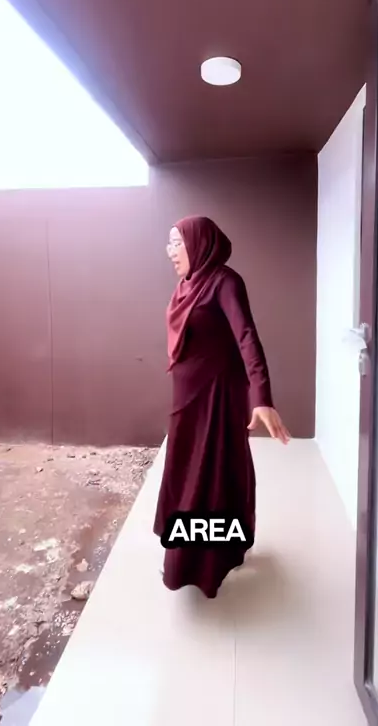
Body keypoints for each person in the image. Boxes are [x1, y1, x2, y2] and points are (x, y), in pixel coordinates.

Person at [154, 215, 290, 599]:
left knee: (209, 476)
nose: (170, 251)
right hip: (186, 400)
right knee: (185, 472)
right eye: (169, 243)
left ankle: (200, 563)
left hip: (217, 398)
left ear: (199, 243)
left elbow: (247, 338)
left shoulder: (225, 282)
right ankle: (206, 547)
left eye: (176, 242)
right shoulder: (188, 284)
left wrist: (261, 397)